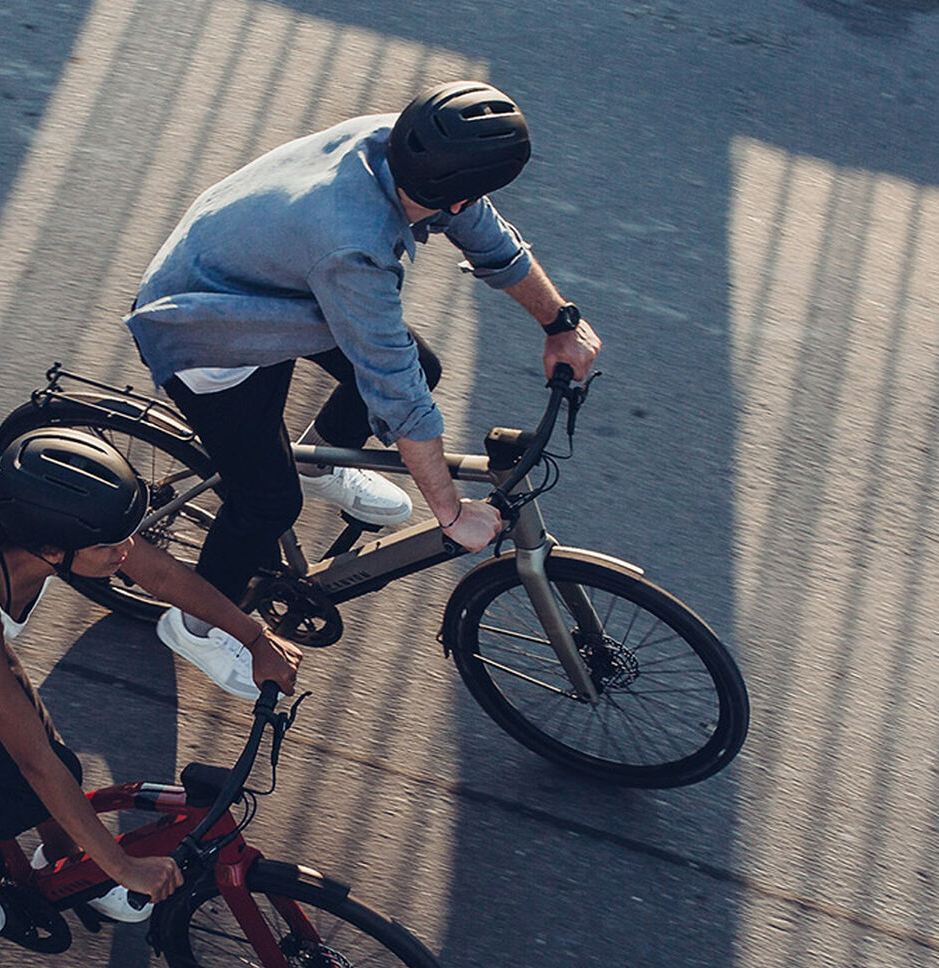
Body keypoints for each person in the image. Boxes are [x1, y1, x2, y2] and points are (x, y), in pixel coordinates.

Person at [126, 80, 603, 694]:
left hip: (264, 275)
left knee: (423, 366)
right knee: (267, 504)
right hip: (205, 328)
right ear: (456, 194)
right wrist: (450, 512)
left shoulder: (403, 148)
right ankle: (195, 625)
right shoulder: (351, 250)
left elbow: (488, 238)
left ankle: (319, 463)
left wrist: (559, 324)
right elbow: (396, 392)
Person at [0, 429, 302, 936]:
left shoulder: (33, 524)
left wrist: (255, 638)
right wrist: (123, 866)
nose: (126, 551)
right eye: (110, 544)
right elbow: (36, 766)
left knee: (51, 764)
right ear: (53, 549)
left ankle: (64, 860)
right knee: (38, 778)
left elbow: (160, 576)